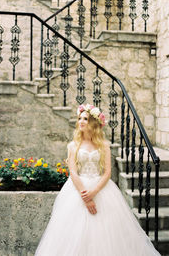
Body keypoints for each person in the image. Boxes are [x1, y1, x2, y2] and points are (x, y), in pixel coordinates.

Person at [35, 104, 161, 256]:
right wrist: (86, 197)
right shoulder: (73, 145)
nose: (81, 121)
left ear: (93, 123)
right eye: (80, 118)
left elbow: (107, 172)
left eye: (85, 119)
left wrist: (93, 192)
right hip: (77, 189)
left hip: (101, 189)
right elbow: (73, 173)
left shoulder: (104, 145)